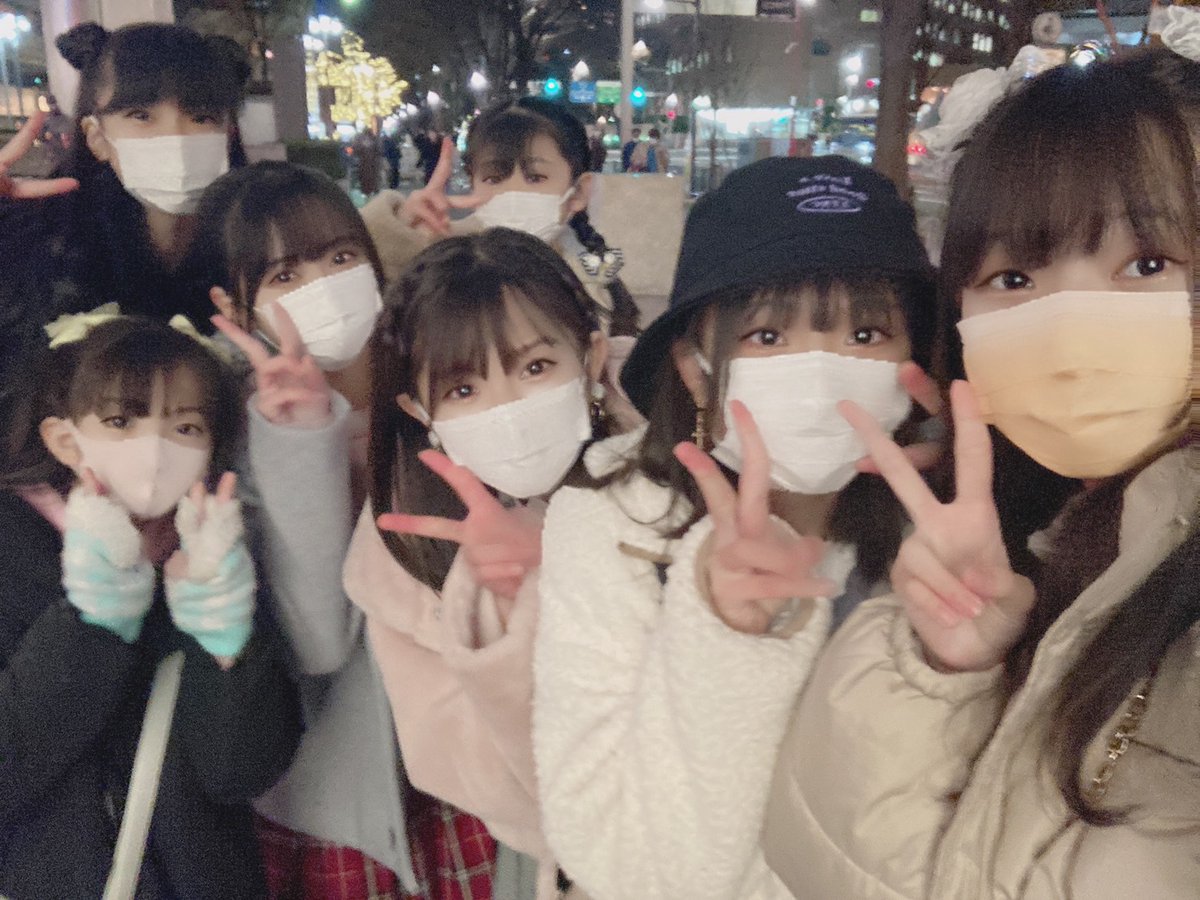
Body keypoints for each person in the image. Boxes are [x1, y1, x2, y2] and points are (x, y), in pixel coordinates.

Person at [762, 52, 1200, 899]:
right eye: (1012, 277)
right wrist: (942, 665)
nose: (1067, 327)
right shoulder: (1028, 539)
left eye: (1147, 263)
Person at [532, 155, 941, 900]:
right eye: (767, 336)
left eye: (866, 332)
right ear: (695, 368)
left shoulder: (950, 538)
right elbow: (628, 867)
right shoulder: (610, 525)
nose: (820, 372)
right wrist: (728, 635)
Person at [341, 228, 623, 900]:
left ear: (590, 357)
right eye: (464, 389)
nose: (508, 407)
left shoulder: (669, 483)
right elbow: (464, 769)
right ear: (419, 411)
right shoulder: (405, 546)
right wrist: (510, 605)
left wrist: (574, 558)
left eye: (535, 368)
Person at [0, 314, 301, 899]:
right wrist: (95, 616)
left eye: (185, 426)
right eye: (121, 420)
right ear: (66, 439)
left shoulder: (212, 553)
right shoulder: (11, 544)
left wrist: (222, 628)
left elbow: (239, 772)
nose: (155, 448)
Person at [194, 161, 426, 899]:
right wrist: (301, 441)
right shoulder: (232, 438)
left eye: (341, 256)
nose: (324, 285)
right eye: (285, 276)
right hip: (348, 806)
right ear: (232, 306)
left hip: (460, 768)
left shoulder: (438, 383)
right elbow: (319, 643)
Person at [362, 98, 641, 427]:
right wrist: (402, 230)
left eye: (535, 177)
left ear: (578, 191)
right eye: (494, 178)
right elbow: (362, 277)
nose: (512, 192)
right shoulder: (446, 261)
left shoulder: (596, 281)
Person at [0, 22, 250, 383]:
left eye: (201, 117)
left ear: (228, 134)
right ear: (97, 137)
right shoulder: (38, 241)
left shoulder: (260, 243)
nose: (175, 137)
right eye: (141, 116)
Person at [353, 127, 382, 197]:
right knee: (370, 177)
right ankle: (370, 191)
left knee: (367, 178)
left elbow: (355, 150)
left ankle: (367, 191)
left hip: (366, 163)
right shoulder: (374, 140)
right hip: (370, 163)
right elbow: (379, 151)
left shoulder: (361, 140)